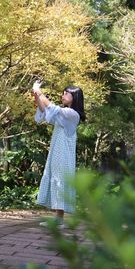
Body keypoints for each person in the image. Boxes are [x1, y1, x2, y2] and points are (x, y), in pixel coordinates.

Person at [32, 82, 86, 228]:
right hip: (57, 151)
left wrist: (39, 91)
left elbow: (51, 107)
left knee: (60, 180)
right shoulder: (63, 113)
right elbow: (46, 111)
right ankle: (57, 219)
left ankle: (60, 220)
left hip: (64, 154)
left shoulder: (72, 114)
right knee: (56, 179)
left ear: (75, 97)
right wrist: (37, 95)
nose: (63, 95)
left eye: (66, 93)